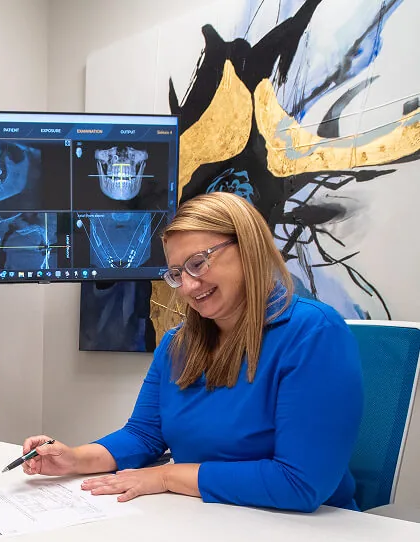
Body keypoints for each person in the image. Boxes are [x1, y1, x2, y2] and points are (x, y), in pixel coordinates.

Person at [22, 192, 364, 512]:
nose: (187, 286)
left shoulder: (313, 332)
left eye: (198, 263)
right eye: (176, 273)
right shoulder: (177, 344)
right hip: (208, 520)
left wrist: (167, 476)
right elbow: (143, 435)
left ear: (248, 248)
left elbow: (300, 484)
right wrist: (74, 458)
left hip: (308, 536)